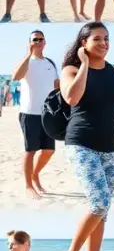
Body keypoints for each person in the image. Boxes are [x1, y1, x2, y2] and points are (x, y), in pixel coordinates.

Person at [59, 22, 114, 251]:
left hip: (112, 147)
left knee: (103, 211)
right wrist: (83, 65)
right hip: (81, 144)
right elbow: (72, 98)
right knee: (99, 203)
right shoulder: (71, 70)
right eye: (97, 39)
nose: (103, 43)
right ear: (84, 43)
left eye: (106, 38)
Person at [11, 30, 59, 198]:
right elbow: (16, 77)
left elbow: (56, 86)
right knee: (30, 150)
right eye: (34, 40)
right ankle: (28, 186)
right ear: (30, 42)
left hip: (48, 114)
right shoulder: (27, 62)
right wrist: (28, 53)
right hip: (29, 113)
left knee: (49, 150)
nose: (38, 42)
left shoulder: (50, 63)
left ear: (45, 42)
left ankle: (35, 174)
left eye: (40, 39)